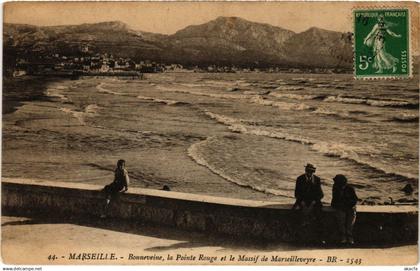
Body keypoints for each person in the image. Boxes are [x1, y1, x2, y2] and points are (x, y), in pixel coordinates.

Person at [331, 174, 358, 245]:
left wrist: (349, 206)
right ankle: (343, 236)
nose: (334, 183)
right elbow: (335, 201)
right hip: (341, 207)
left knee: (351, 219)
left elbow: (355, 200)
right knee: (341, 218)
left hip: (349, 207)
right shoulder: (335, 188)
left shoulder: (350, 188)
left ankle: (349, 235)